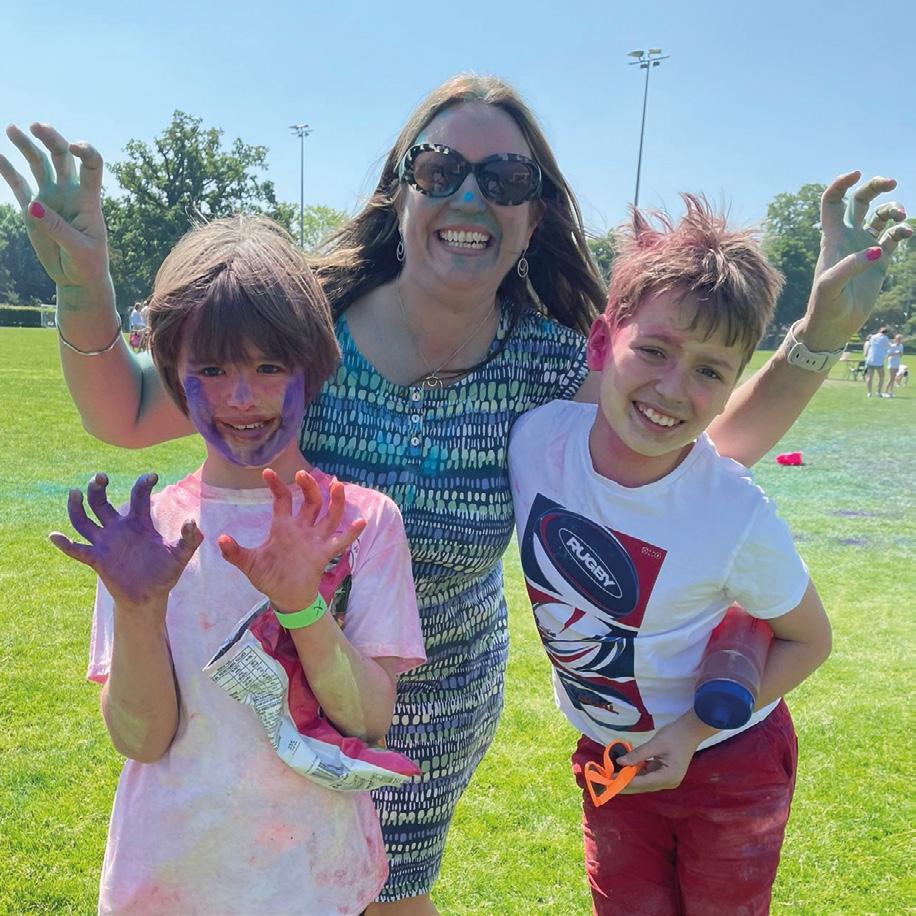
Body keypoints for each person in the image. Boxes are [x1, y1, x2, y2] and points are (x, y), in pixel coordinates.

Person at [1, 77, 910, 913]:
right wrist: (84, 287)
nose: (470, 197)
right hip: (261, 675)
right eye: (439, 169)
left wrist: (818, 334)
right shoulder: (310, 322)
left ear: (533, 214)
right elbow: (128, 411)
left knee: (385, 895)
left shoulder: (549, 360)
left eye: (506, 179)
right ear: (401, 190)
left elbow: (691, 445)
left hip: (429, 696)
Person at [47, 215, 426, 915]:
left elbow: (368, 721)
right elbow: (141, 738)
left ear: (313, 369)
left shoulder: (359, 523)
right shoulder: (149, 537)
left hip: (316, 883)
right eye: (213, 370)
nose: (242, 397)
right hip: (167, 883)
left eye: (269, 367)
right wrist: (137, 609)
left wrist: (302, 606)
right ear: (173, 374)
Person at [508, 197, 834, 914]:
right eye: (654, 351)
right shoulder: (534, 441)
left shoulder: (735, 511)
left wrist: (690, 733)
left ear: (730, 388)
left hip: (729, 759)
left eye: (709, 371)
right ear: (602, 343)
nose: (672, 388)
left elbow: (810, 640)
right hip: (611, 756)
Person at [864, 325, 891, 397]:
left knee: (869, 377)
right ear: (886, 333)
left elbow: (869, 346)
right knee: (881, 376)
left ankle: (869, 393)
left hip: (870, 359)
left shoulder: (872, 337)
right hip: (879, 361)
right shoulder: (885, 338)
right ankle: (878, 392)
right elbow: (889, 346)